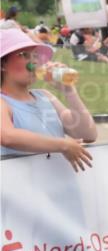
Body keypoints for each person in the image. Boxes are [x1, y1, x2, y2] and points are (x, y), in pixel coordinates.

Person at [0, 27, 96, 171]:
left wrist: (69, 91)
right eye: (24, 55)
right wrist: (62, 145)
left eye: (35, 56)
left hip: (55, 182)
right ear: (2, 65)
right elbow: (8, 136)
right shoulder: (3, 102)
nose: (33, 61)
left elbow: (88, 134)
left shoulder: (45, 96)